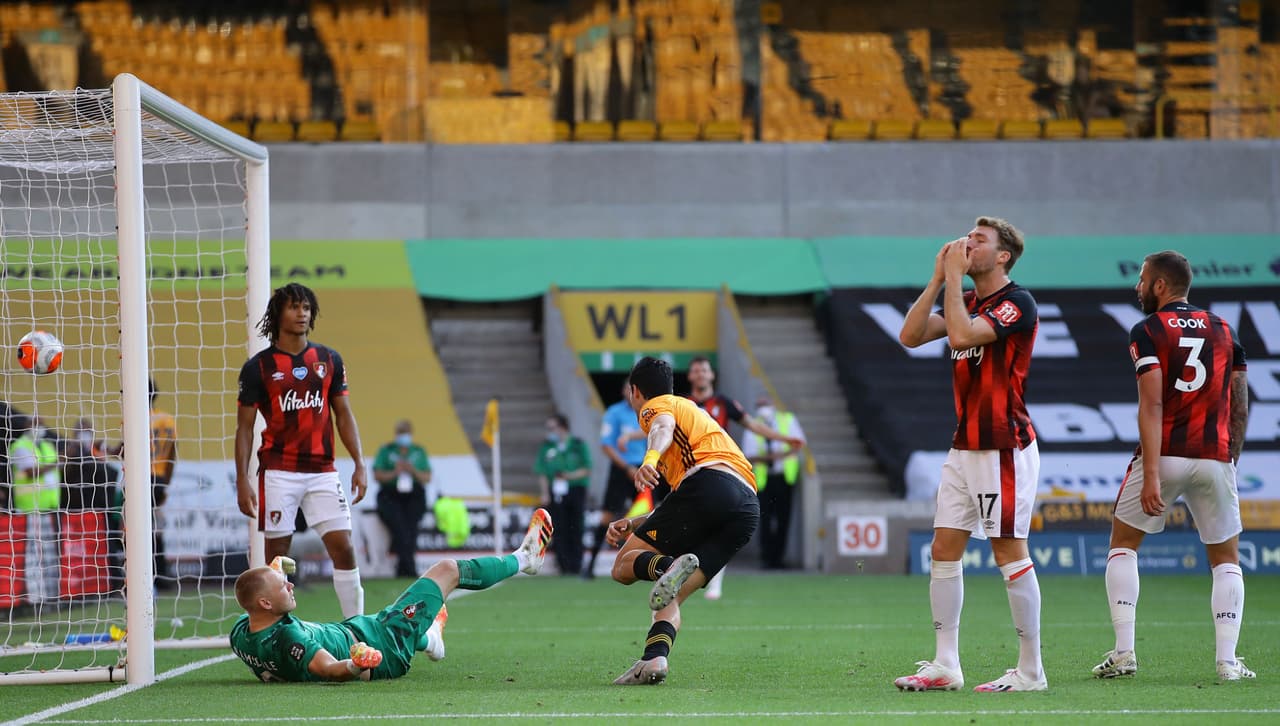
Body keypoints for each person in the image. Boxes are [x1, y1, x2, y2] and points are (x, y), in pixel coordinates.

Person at [894, 217, 1046, 693]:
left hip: (1003, 442)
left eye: (978, 240)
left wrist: (954, 281)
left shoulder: (1016, 302)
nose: (966, 243)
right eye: (968, 237)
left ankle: (1031, 671)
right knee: (944, 549)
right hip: (965, 444)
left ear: (1002, 256)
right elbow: (911, 335)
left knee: (1007, 550)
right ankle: (946, 664)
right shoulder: (969, 300)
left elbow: (960, 337)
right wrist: (940, 278)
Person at [1093, 251, 1254, 682]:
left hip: (1163, 456)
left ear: (1160, 286)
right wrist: (1231, 454)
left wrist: (1149, 474)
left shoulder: (1148, 330)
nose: (1137, 287)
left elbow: (1151, 403)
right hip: (1214, 456)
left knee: (1123, 546)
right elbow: (1240, 396)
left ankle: (1124, 653)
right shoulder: (1223, 328)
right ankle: (1227, 662)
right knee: (1225, 560)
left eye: (1142, 280)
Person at [230, 508, 553, 682]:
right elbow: (328, 669)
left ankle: (429, 638)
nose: (291, 585)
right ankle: (526, 559)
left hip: (365, 628)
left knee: (413, 619)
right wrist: (356, 665)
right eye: (283, 585)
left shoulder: (242, 632)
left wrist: (273, 571)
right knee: (446, 571)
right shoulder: (290, 636)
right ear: (266, 603)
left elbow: (256, 600)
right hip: (383, 643)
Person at [605, 356, 759, 685]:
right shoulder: (694, 414)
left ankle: (665, 567)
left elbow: (662, 426)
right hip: (746, 506)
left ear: (635, 391)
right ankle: (653, 661)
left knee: (622, 567)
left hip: (708, 485)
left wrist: (650, 458)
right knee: (670, 595)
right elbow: (689, 501)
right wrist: (633, 524)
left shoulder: (657, 406)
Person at [235, 282, 369, 619]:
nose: (302, 313)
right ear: (278, 313)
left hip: (323, 471)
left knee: (344, 548)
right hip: (279, 472)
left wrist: (359, 463)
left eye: (306, 307)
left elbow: (344, 415)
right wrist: (242, 479)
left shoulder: (329, 360)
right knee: (278, 561)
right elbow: (244, 428)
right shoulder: (258, 368)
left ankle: (357, 627)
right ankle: (276, 629)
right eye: (294, 307)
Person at [685, 357, 804, 599]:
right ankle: (697, 573)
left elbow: (752, 424)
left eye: (704, 370)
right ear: (690, 376)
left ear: (711, 375)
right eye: (696, 370)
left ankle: (715, 580)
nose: (700, 374)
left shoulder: (723, 403)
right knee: (692, 529)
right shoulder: (682, 404)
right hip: (687, 471)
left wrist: (782, 439)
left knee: (720, 524)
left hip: (719, 470)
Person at [585, 383, 648, 579]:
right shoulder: (614, 412)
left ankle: (650, 566)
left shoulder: (649, 412)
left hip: (645, 469)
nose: (632, 393)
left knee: (650, 516)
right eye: (628, 388)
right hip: (622, 470)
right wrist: (627, 468)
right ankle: (590, 566)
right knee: (607, 517)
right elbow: (606, 445)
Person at [742, 397, 806, 569]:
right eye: (760, 405)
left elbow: (798, 443)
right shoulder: (754, 425)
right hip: (764, 480)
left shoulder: (787, 420)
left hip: (784, 478)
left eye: (766, 404)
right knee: (765, 519)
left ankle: (779, 557)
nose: (764, 408)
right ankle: (767, 557)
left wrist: (771, 457)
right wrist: (776, 456)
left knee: (783, 518)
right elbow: (749, 454)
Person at [8, 414, 61, 604]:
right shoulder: (21, 446)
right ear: (27, 426)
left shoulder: (46, 445)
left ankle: (50, 596)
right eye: (36, 424)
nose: (40, 427)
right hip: (29, 510)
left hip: (49, 508)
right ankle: (35, 599)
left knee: (49, 555)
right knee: (33, 556)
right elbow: (31, 471)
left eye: (42, 424)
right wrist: (57, 463)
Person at [534, 413, 591, 577]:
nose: (550, 432)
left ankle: (577, 564)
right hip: (556, 490)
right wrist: (545, 493)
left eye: (552, 428)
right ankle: (563, 565)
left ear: (562, 427)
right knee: (559, 527)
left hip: (575, 489)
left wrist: (569, 475)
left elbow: (586, 468)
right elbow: (542, 471)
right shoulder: (547, 447)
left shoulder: (578, 445)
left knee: (576, 526)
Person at [373, 420, 432, 577]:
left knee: (410, 530)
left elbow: (427, 477)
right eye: (401, 432)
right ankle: (408, 568)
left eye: (406, 432)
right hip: (391, 495)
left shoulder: (418, 451)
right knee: (400, 528)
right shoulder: (386, 451)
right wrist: (395, 472)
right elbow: (377, 475)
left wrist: (412, 470)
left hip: (413, 495)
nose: (403, 436)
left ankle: (405, 568)